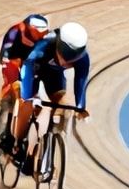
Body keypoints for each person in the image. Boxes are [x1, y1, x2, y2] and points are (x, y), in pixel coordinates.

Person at [11, 21, 91, 175]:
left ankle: (46, 143)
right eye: (66, 56)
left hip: (54, 76)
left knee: (62, 104)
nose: (68, 61)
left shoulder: (83, 59)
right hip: (33, 70)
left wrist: (80, 107)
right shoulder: (45, 45)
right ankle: (17, 143)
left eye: (73, 58)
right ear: (59, 46)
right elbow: (28, 66)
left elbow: (81, 81)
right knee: (26, 104)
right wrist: (27, 97)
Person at [0, 14, 50, 146]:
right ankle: (6, 124)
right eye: (39, 33)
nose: (41, 36)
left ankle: (25, 127)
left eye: (43, 33)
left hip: (30, 64)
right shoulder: (15, 32)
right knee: (15, 87)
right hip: (12, 61)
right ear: (31, 29)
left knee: (33, 95)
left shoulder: (44, 37)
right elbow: (5, 56)